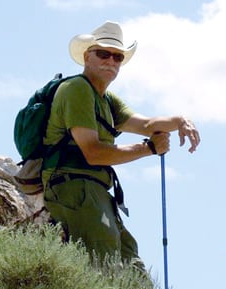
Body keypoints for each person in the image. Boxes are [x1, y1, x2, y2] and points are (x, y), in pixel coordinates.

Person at [42, 21, 200, 266]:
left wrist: (180, 120)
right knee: (105, 264)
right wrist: (148, 148)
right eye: (103, 54)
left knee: (131, 263)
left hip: (94, 190)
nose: (111, 61)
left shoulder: (105, 99)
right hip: (73, 185)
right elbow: (93, 153)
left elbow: (147, 125)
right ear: (87, 57)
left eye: (117, 57)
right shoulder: (76, 90)